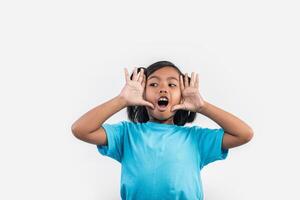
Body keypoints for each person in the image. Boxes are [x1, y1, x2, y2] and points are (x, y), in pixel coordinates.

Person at [71, 61, 254, 200]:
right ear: (142, 94)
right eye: (154, 84)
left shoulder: (196, 138)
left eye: (172, 85)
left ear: (182, 96)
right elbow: (81, 129)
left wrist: (202, 106)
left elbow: (244, 134)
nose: (162, 90)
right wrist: (122, 100)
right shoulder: (126, 134)